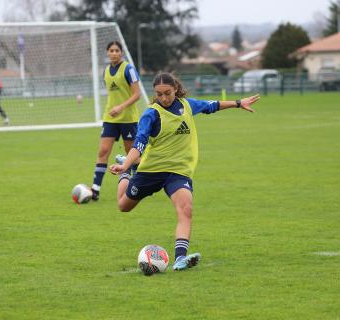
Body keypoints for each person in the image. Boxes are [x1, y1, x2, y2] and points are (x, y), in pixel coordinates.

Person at [110, 72, 260, 271]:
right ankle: (126, 173)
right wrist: (125, 166)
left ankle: (180, 258)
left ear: (175, 90)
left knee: (186, 209)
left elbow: (212, 105)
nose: (164, 98)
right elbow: (139, 143)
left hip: (178, 172)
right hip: (152, 170)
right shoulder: (151, 114)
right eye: (159, 94)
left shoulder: (187, 105)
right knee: (123, 206)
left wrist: (238, 103)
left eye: (168, 93)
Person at [90, 41, 141, 201]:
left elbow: (137, 94)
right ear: (107, 53)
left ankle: (140, 185)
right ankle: (95, 190)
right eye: (111, 50)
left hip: (128, 119)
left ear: (121, 52)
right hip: (110, 118)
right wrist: (114, 108)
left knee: (131, 155)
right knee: (103, 151)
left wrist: (121, 107)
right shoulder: (105, 71)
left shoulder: (128, 69)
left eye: (117, 50)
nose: (114, 53)